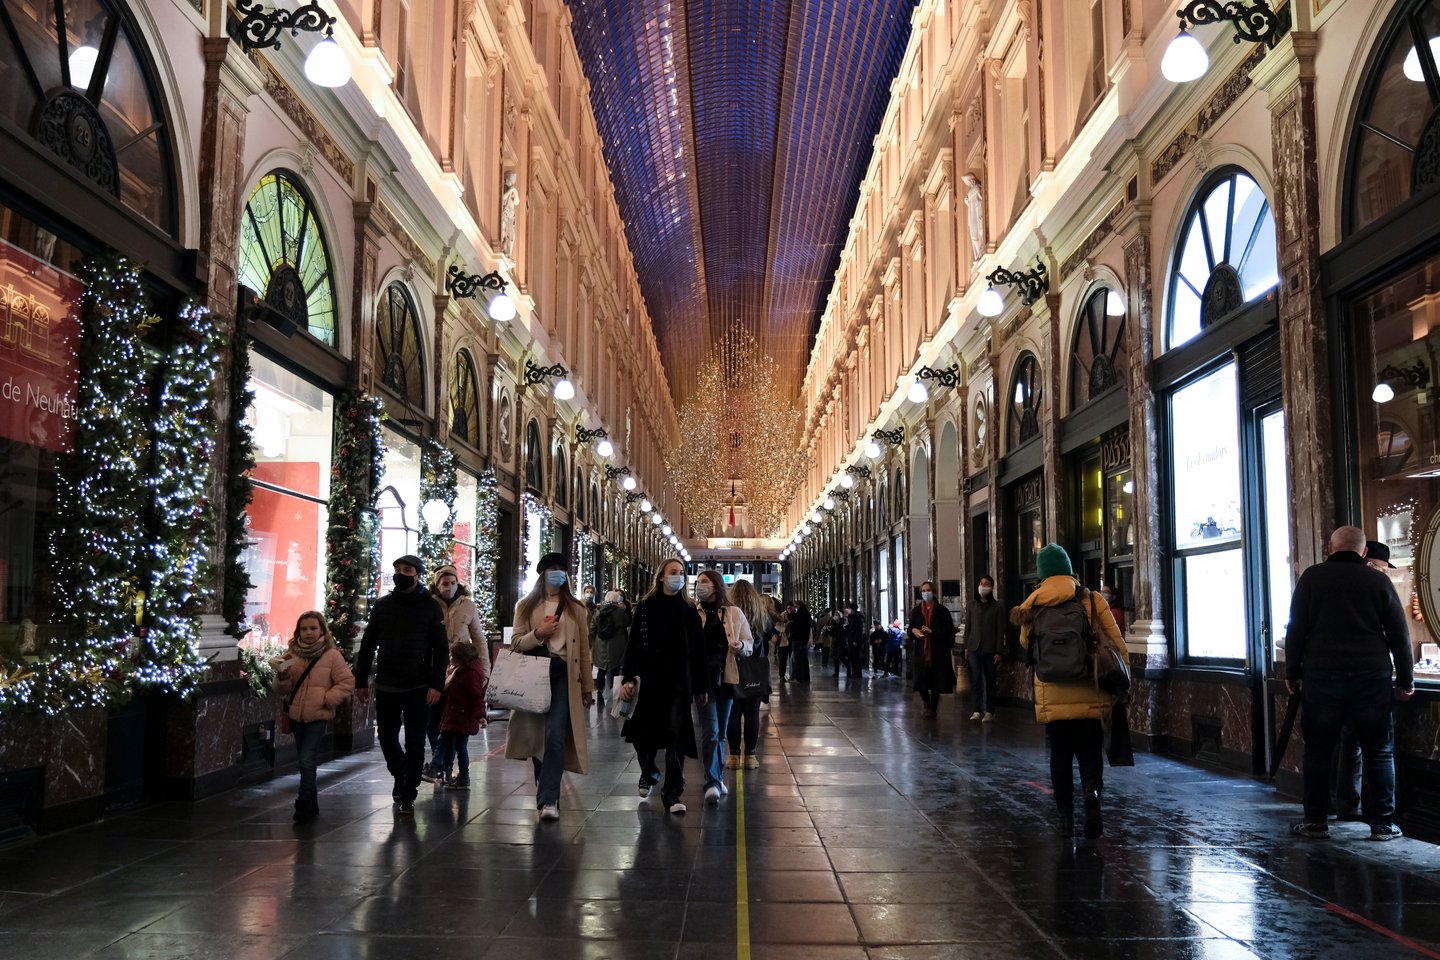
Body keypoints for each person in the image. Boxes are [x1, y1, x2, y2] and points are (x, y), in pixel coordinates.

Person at [1285, 526, 1413, 841]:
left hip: (1322, 676)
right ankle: (1382, 823)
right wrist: (1406, 679)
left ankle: (1315, 821)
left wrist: (1292, 672)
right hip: (1372, 677)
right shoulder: (1378, 581)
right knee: (1379, 751)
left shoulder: (1312, 578)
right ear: (1364, 552)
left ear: (1330, 546)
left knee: (1318, 750)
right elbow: (1400, 635)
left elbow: (1296, 627)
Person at [1012, 544, 1127, 839]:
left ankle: (1065, 817)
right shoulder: (1091, 599)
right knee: (1090, 752)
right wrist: (1125, 682)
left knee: (1060, 756)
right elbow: (1115, 642)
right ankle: (1092, 798)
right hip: (1090, 690)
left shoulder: (1033, 603)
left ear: (1042, 573)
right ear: (1068, 569)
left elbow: (1026, 644)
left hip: (1052, 695)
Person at [355, 555, 449, 815]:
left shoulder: (431, 607)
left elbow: (441, 649)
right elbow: (367, 644)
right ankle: (402, 773)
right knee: (386, 737)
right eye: (397, 569)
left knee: (416, 741)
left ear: (417, 574)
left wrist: (436, 684)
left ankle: (408, 791)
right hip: (387, 683)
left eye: (406, 569)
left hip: (418, 685)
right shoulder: (383, 605)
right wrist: (360, 680)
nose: (400, 573)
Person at [506, 552, 595, 821]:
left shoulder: (576, 608)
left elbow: (584, 650)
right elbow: (517, 643)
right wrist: (538, 634)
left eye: (562, 569)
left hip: (563, 675)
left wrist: (587, 686)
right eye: (553, 569)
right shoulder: (526, 605)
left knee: (555, 735)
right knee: (538, 738)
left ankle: (548, 800)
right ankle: (547, 792)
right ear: (542, 573)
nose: (558, 573)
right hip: (535, 673)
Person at [620, 559, 709, 814]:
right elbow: (633, 645)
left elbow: (698, 652)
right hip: (649, 681)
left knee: (675, 737)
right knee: (642, 738)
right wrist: (627, 678)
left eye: (681, 573)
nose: (678, 577)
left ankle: (672, 793)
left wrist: (701, 686)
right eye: (673, 572)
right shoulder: (645, 608)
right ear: (661, 577)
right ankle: (649, 771)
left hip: (679, 683)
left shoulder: (689, 611)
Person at [272, 611, 354, 822]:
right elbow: (282, 689)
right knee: (304, 760)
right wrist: (282, 676)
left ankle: (302, 802)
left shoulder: (331, 655)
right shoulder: (291, 654)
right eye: (304, 629)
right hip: (297, 715)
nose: (308, 633)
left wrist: (327, 699)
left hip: (317, 715)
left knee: (307, 760)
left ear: (322, 631)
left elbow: (346, 682)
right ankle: (312, 802)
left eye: (313, 628)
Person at [422, 564, 490, 783]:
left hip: (460, 669)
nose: (449, 587)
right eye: (444, 583)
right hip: (434, 669)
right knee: (434, 720)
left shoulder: (467, 605)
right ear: (437, 584)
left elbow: (478, 638)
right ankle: (439, 762)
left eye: (452, 583)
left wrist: (485, 670)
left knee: (453, 721)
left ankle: (444, 766)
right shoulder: (428, 603)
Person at [694, 570, 754, 804]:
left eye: (705, 581)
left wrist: (740, 645)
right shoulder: (693, 613)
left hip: (727, 678)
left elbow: (749, 643)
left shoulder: (734, 613)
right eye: (698, 582)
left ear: (717, 586)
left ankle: (717, 777)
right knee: (710, 731)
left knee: (720, 734)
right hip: (703, 680)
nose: (700, 585)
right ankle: (711, 782)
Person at [726, 580, 771, 770]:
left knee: (733, 714)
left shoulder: (729, 614)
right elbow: (767, 637)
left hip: (734, 668)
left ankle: (734, 756)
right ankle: (751, 755)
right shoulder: (762, 615)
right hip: (756, 669)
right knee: (752, 714)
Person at [435, 640, 487, 790]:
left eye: (452, 655)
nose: (449, 657)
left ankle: (442, 768)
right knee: (455, 746)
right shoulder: (461, 671)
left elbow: (476, 698)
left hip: (460, 718)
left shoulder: (468, 675)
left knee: (452, 745)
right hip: (456, 717)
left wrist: (481, 716)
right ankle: (457, 774)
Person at [908, 581, 957, 717]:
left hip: (938, 651)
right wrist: (914, 631)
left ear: (933, 591)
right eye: (923, 591)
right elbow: (910, 629)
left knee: (936, 681)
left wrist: (932, 631)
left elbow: (948, 631)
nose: (926, 593)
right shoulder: (917, 611)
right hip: (921, 651)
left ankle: (933, 708)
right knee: (921, 680)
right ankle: (926, 703)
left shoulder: (942, 611)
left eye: (928, 590)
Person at [963, 575, 1006, 722]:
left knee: (990, 680)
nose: (983, 586)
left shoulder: (998, 606)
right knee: (975, 679)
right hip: (974, 647)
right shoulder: (971, 605)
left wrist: (999, 651)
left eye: (986, 584)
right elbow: (968, 628)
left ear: (992, 587)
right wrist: (966, 648)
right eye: (981, 583)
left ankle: (990, 711)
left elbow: (1000, 630)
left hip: (990, 649)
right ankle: (976, 710)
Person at [591, 589, 632, 708]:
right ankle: (614, 695)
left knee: (601, 670)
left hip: (601, 645)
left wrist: (594, 641)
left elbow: (592, 629)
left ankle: (599, 693)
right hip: (617, 645)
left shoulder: (598, 612)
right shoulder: (619, 612)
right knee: (615, 671)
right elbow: (627, 622)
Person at [789, 601, 812, 683]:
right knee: (804, 658)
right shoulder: (807, 614)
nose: (794, 607)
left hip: (797, 639)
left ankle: (799, 678)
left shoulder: (799, 614)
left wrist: (791, 623)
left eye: (795, 606)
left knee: (797, 658)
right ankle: (806, 677)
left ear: (798, 606)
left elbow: (796, 626)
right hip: (804, 639)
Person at [845, 602, 867, 678]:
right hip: (851, 639)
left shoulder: (858, 617)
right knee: (852, 656)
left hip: (855, 640)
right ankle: (854, 672)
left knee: (856, 657)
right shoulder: (851, 617)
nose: (848, 609)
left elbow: (858, 630)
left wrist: (855, 640)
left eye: (849, 608)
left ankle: (857, 673)